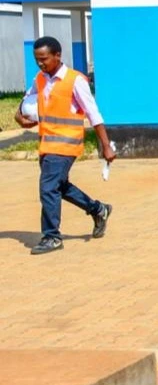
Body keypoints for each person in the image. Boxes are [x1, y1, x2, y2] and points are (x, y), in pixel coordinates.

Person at [14, 36, 115, 255]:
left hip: (66, 145)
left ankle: (52, 236)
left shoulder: (75, 80)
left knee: (48, 188)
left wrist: (105, 145)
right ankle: (98, 209)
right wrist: (18, 116)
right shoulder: (39, 79)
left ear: (57, 56)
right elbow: (27, 101)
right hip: (46, 143)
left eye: (44, 59)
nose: (41, 63)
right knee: (59, 186)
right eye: (37, 60)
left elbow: (93, 113)